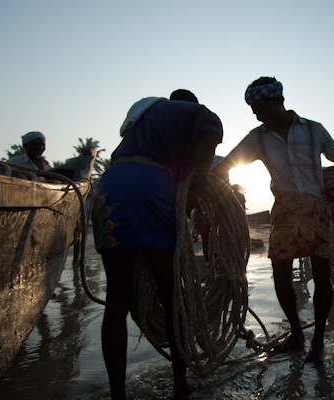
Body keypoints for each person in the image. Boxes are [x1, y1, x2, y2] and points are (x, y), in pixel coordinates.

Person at [91, 95, 223, 400]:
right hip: (151, 184)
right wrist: (198, 186)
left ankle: (118, 396)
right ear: (190, 102)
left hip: (109, 186)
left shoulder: (143, 113)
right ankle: (180, 386)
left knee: (117, 299)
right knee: (171, 294)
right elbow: (206, 143)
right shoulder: (201, 113)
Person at [211, 76, 334, 365]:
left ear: (279, 101)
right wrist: (208, 186)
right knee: (281, 277)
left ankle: (318, 342)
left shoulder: (314, 130)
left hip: (319, 209)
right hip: (284, 212)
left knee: (323, 276)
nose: (260, 116)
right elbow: (226, 165)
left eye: (262, 109)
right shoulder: (257, 137)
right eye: (254, 112)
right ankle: (297, 334)